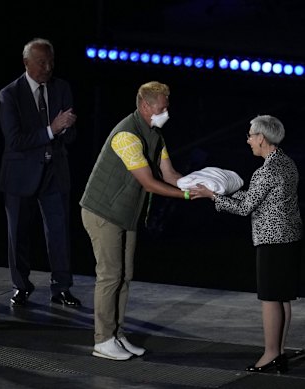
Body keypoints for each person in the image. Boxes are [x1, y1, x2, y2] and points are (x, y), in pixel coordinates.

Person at [80, 81, 193, 360]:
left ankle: (116, 334)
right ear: (145, 106)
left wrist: (199, 185)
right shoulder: (126, 135)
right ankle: (102, 340)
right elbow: (151, 183)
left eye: (167, 106)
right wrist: (188, 197)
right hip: (103, 212)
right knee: (110, 276)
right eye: (162, 107)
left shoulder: (155, 135)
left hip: (126, 214)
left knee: (125, 276)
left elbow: (169, 175)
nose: (166, 112)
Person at [190, 115, 303, 373]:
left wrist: (212, 196)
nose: (249, 140)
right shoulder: (286, 163)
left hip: (272, 241)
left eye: (251, 135)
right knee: (282, 297)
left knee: (270, 298)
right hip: (289, 238)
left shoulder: (266, 171)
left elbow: (244, 208)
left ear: (262, 138)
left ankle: (271, 354)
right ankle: (279, 352)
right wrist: (225, 192)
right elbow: (257, 198)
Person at [0, 38, 81, 308]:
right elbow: (15, 140)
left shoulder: (62, 87)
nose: (48, 67)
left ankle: (61, 288)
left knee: (58, 234)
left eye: (51, 62)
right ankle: (21, 286)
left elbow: (71, 136)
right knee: (18, 234)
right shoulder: (10, 94)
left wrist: (67, 130)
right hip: (21, 174)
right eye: (41, 62)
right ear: (26, 63)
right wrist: (52, 130)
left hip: (54, 172)